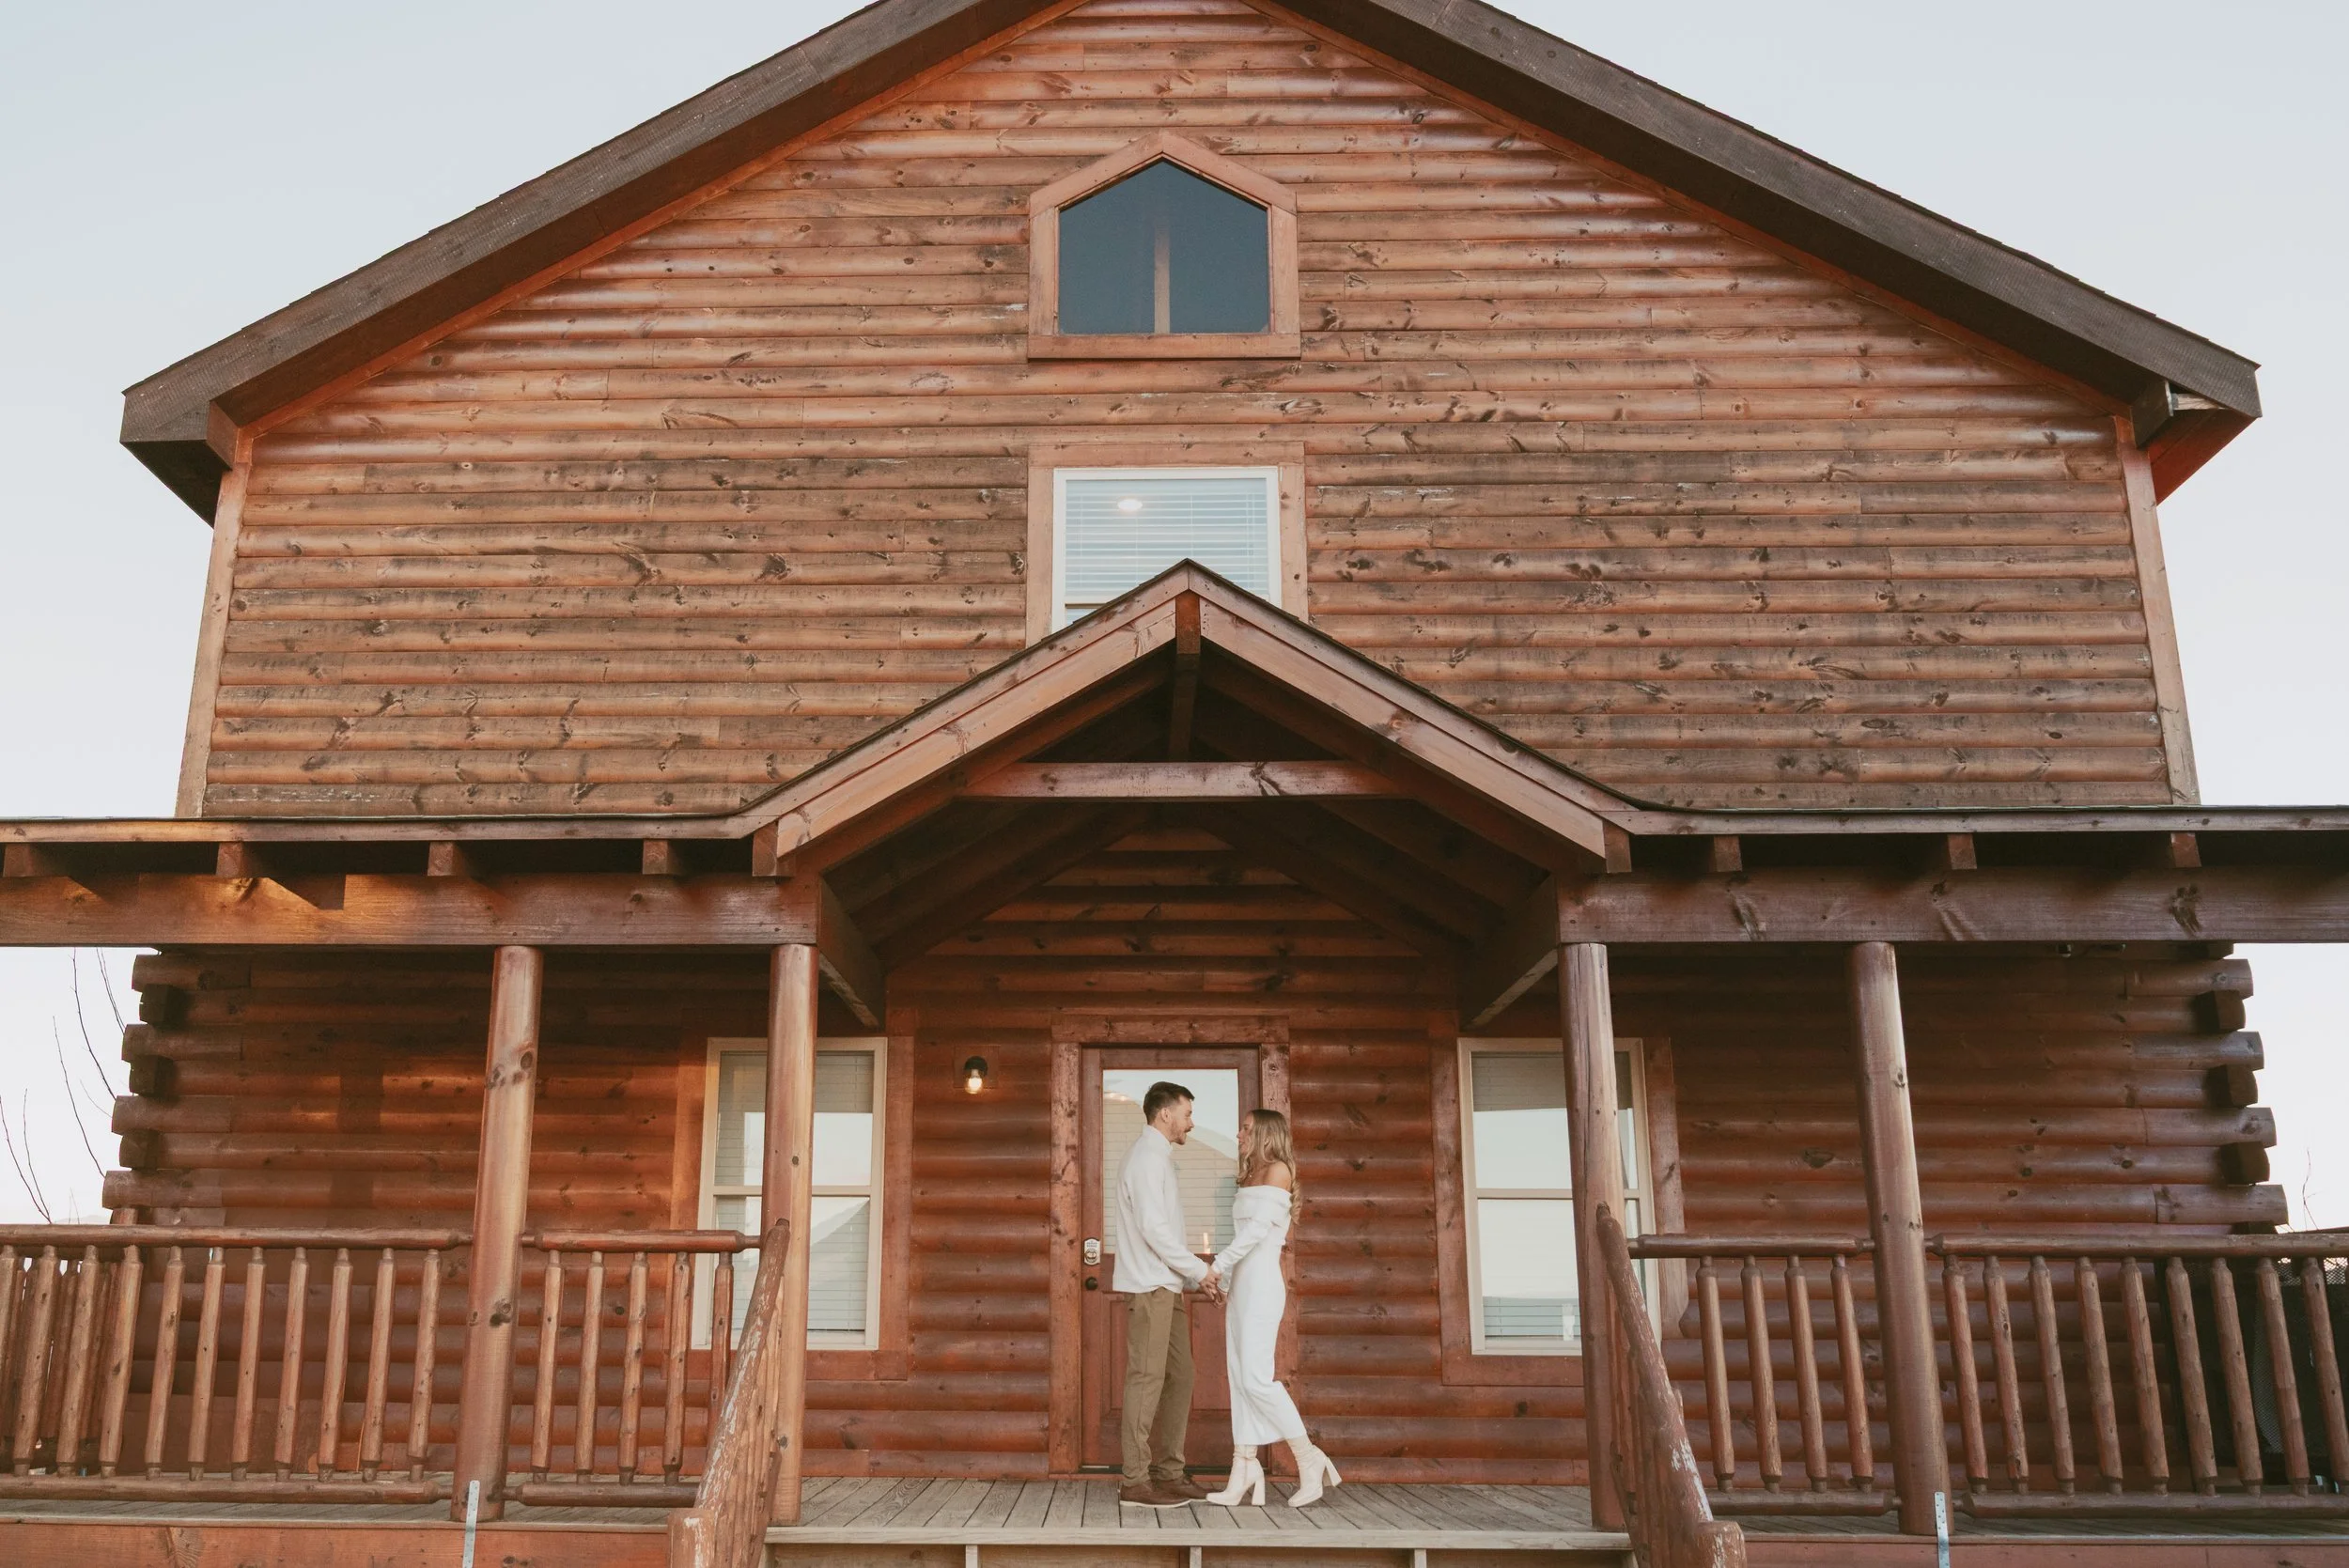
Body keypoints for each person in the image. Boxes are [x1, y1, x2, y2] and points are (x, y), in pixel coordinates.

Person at [1202, 1108, 1340, 1508]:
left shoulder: (1280, 1170)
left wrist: (1217, 1266)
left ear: (1265, 1134)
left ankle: (1308, 1458)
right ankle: (1244, 1467)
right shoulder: (1246, 1176)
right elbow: (1240, 1236)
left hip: (1263, 1286)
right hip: (1242, 1286)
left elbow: (1259, 1232)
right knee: (1239, 1378)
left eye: (1246, 1129)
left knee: (1258, 1379)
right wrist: (1224, 1282)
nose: (1239, 1133)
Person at [1114, 1080, 1218, 1507]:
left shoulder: (1159, 1158)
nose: (1191, 1124)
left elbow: (1165, 1230)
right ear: (1165, 1114)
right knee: (1146, 1379)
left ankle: (1170, 1472)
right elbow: (1154, 1231)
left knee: (1182, 1376)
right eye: (1187, 1114)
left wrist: (1192, 1277)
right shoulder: (1144, 1159)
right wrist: (1199, 1269)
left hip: (1167, 1286)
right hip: (1149, 1288)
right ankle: (1135, 1481)